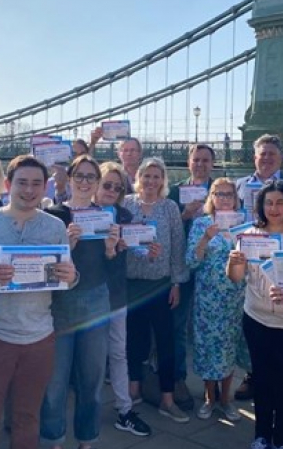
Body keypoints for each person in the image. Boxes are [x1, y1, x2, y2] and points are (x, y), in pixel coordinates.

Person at [0, 155, 78, 449]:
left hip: (40, 336)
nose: (29, 190)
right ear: (7, 185)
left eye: (36, 184)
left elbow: (65, 279)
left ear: (46, 187)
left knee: (27, 416)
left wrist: (72, 275)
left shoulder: (55, 227)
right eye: (22, 183)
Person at [226, 180, 283, 449]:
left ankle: (281, 438)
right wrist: (233, 263)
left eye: (280, 202)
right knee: (261, 379)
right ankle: (261, 435)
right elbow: (237, 279)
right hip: (257, 319)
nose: (274, 208)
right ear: (261, 206)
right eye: (269, 202)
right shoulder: (248, 235)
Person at [41, 154, 115, 449]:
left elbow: (113, 269)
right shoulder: (54, 216)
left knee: (92, 380)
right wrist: (65, 248)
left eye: (91, 177)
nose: (85, 182)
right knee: (55, 383)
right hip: (60, 303)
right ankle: (53, 439)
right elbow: (44, 268)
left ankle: (88, 439)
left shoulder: (105, 216)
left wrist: (111, 250)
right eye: (79, 176)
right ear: (69, 179)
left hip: (96, 300)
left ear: (97, 183)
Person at [123, 157, 190, 423]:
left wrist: (176, 283)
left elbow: (178, 246)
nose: (151, 181)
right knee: (133, 340)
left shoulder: (169, 207)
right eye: (146, 176)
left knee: (166, 342)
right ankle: (133, 389)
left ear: (163, 180)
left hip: (160, 285)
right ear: (138, 178)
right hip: (132, 284)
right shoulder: (126, 203)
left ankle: (167, 398)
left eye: (156, 176)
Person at [233, 134, 283, 401]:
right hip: (248, 258)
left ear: (280, 158)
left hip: (281, 261)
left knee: (282, 333)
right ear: (254, 158)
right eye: (262, 154)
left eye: (272, 154)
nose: (267, 158)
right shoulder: (238, 185)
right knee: (252, 322)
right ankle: (253, 375)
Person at [95, 162, 152, 437]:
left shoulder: (125, 215)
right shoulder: (77, 214)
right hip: (84, 299)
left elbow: (139, 250)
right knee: (88, 358)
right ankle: (87, 409)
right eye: (107, 185)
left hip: (116, 295)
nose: (112, 191)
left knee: (118, 352)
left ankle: (124, 410)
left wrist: (149, 250)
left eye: (118, 188)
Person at [186, 177, 244, 422]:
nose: (223, 199)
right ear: (211, 197)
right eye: (218, 194)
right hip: (208, 300)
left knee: (228, 349)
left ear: (235, 197)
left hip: (233, 298)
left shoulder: (243, 224)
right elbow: (191, 261)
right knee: (208, 349)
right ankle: (210, 397)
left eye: (228, 194)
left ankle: (226, 399)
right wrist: (205, 239)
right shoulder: (201, 224)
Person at [167, 143, 216, 411]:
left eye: (205, 160)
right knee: (178, 325)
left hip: (211, 269)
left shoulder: (220, 190)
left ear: (212, 163)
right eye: (196, 159)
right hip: (183, 267)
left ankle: (215, 384)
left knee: (213, 327)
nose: (200, 164)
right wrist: (184, 216)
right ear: (188, 163)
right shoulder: (175, 191)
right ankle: (178, 379)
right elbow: (170, 232)